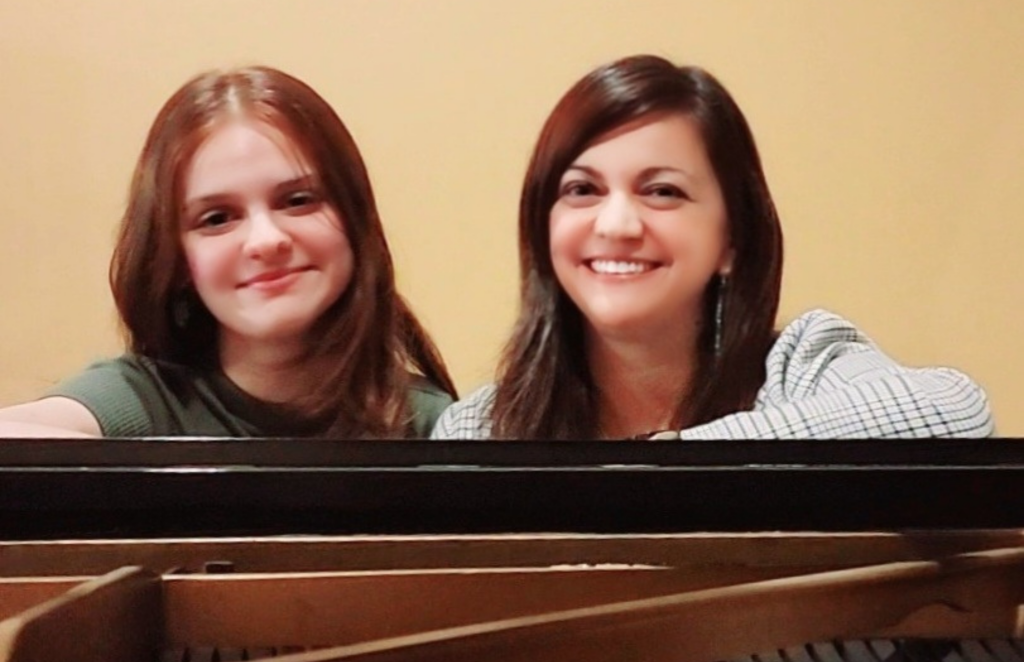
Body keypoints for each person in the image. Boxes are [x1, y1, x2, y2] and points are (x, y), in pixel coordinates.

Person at [432, 55, 992, 440]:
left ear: (732, 240)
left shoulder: (801, 364)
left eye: (663, 191)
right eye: (583, 190)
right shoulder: (481, 425)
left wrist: (674, 462)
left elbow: (956, 410)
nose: (618, 222)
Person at [0, 66, 455, 438]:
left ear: (356, 220)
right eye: (217, 218)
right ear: (175, 260)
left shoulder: (432, 424)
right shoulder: (141, 402)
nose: (265, 240)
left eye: (298, 200)